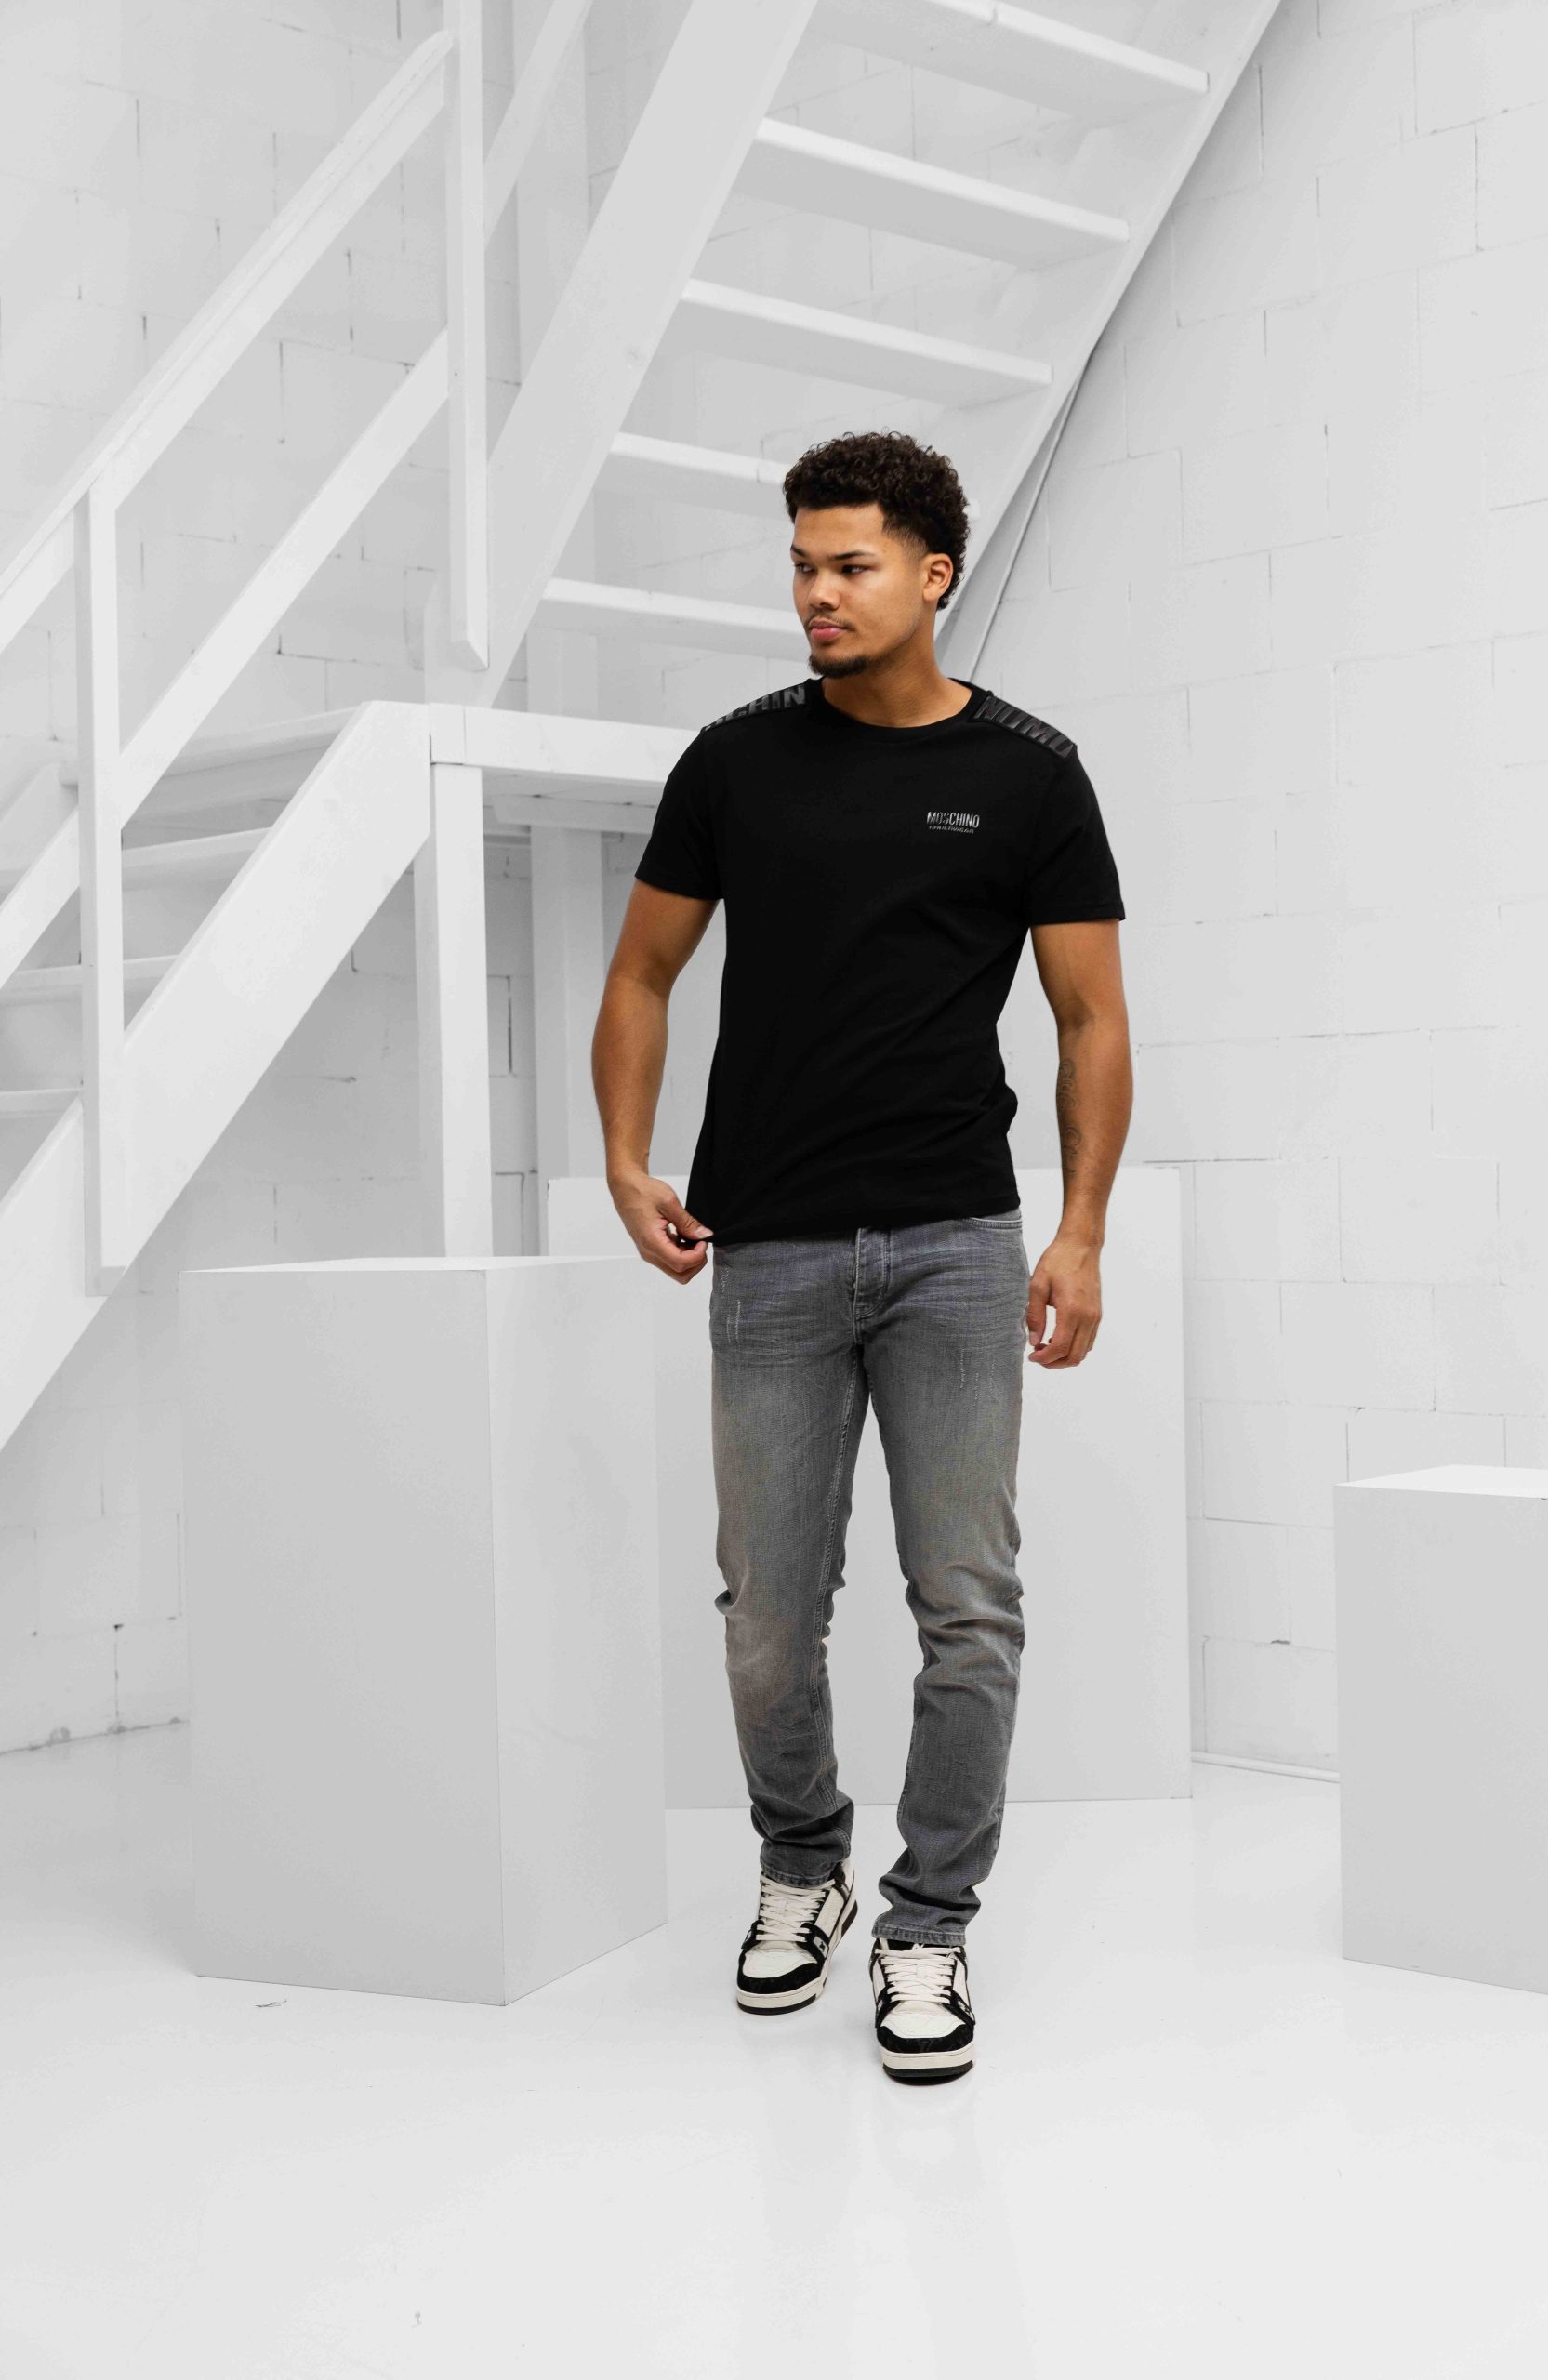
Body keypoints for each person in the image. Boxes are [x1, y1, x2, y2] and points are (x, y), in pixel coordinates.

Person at [592, 428, 1132, 2085]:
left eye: (849, 566)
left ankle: (929, 1923)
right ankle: (804, 1862)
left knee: (968, 1606)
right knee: (768, 1612)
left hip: (960, 1247)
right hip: (768, 1248)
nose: (816, 595)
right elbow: (640, 975)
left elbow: (1092, 1017)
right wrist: (621, 1157)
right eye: (802, 567)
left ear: (932, 574)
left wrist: (1082, 1228)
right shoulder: (735, 765)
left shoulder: (1032, 775)